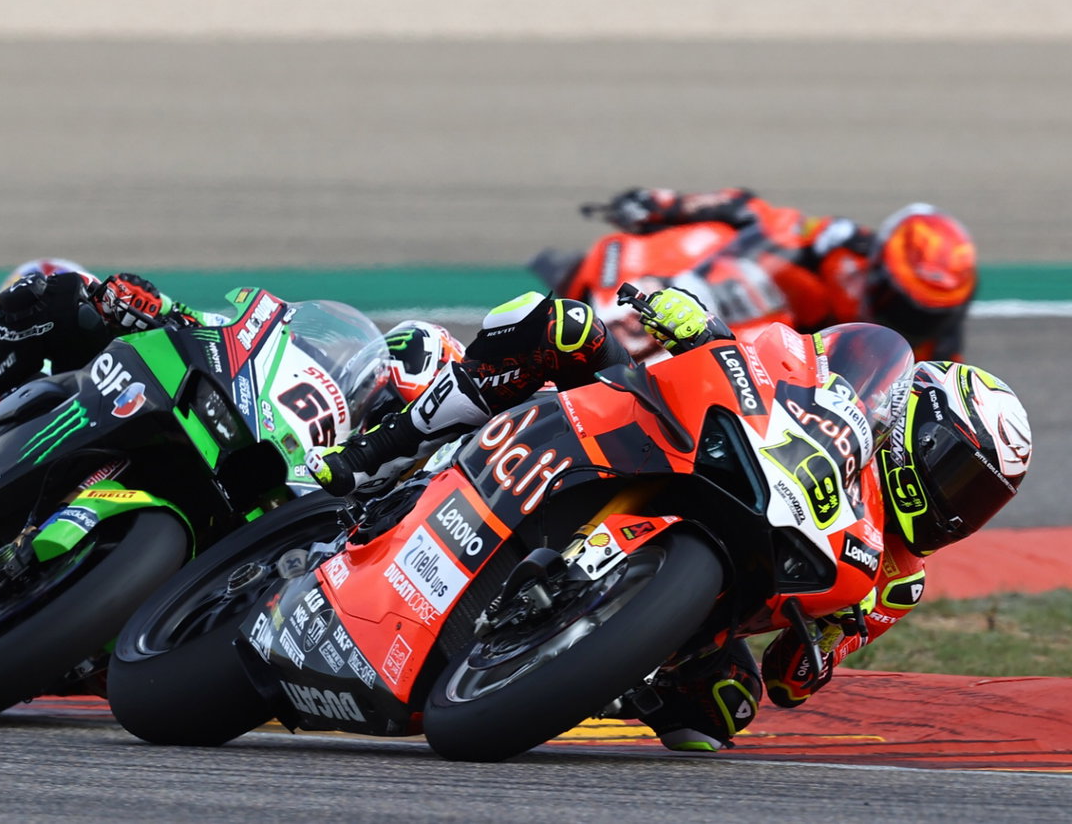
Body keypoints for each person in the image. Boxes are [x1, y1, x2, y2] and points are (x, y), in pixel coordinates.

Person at [313, 286, 1033, 753]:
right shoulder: (838, 389)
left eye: (980, 500)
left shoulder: (895, 578)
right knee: (554, 324)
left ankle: (588, 661)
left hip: (726, 578)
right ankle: (382, 444)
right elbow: (763, 359)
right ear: (920, 432)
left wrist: (822, 647)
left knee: (724, 711)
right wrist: (697, 322)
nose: (957, 504)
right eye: (960, 476)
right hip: (653, 435)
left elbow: (789, 682)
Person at [0, 264, 463, 505]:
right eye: (381, 398)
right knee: (53, 299)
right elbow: (218, 330)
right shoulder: (297, 364)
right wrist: (147, 305)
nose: (379, 415)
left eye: (393, 410)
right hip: (203, 423)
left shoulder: (414, 491)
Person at [590, 187, 978, 361]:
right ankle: (637, 311)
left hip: (808, 387)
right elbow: (760, 216)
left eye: (925, 310)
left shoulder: (938, 353)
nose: (913, 317)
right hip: (770, 325)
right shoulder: (845, 243)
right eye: (904, 301)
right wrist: (667, 205)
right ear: (879, 265)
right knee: (721, 237)